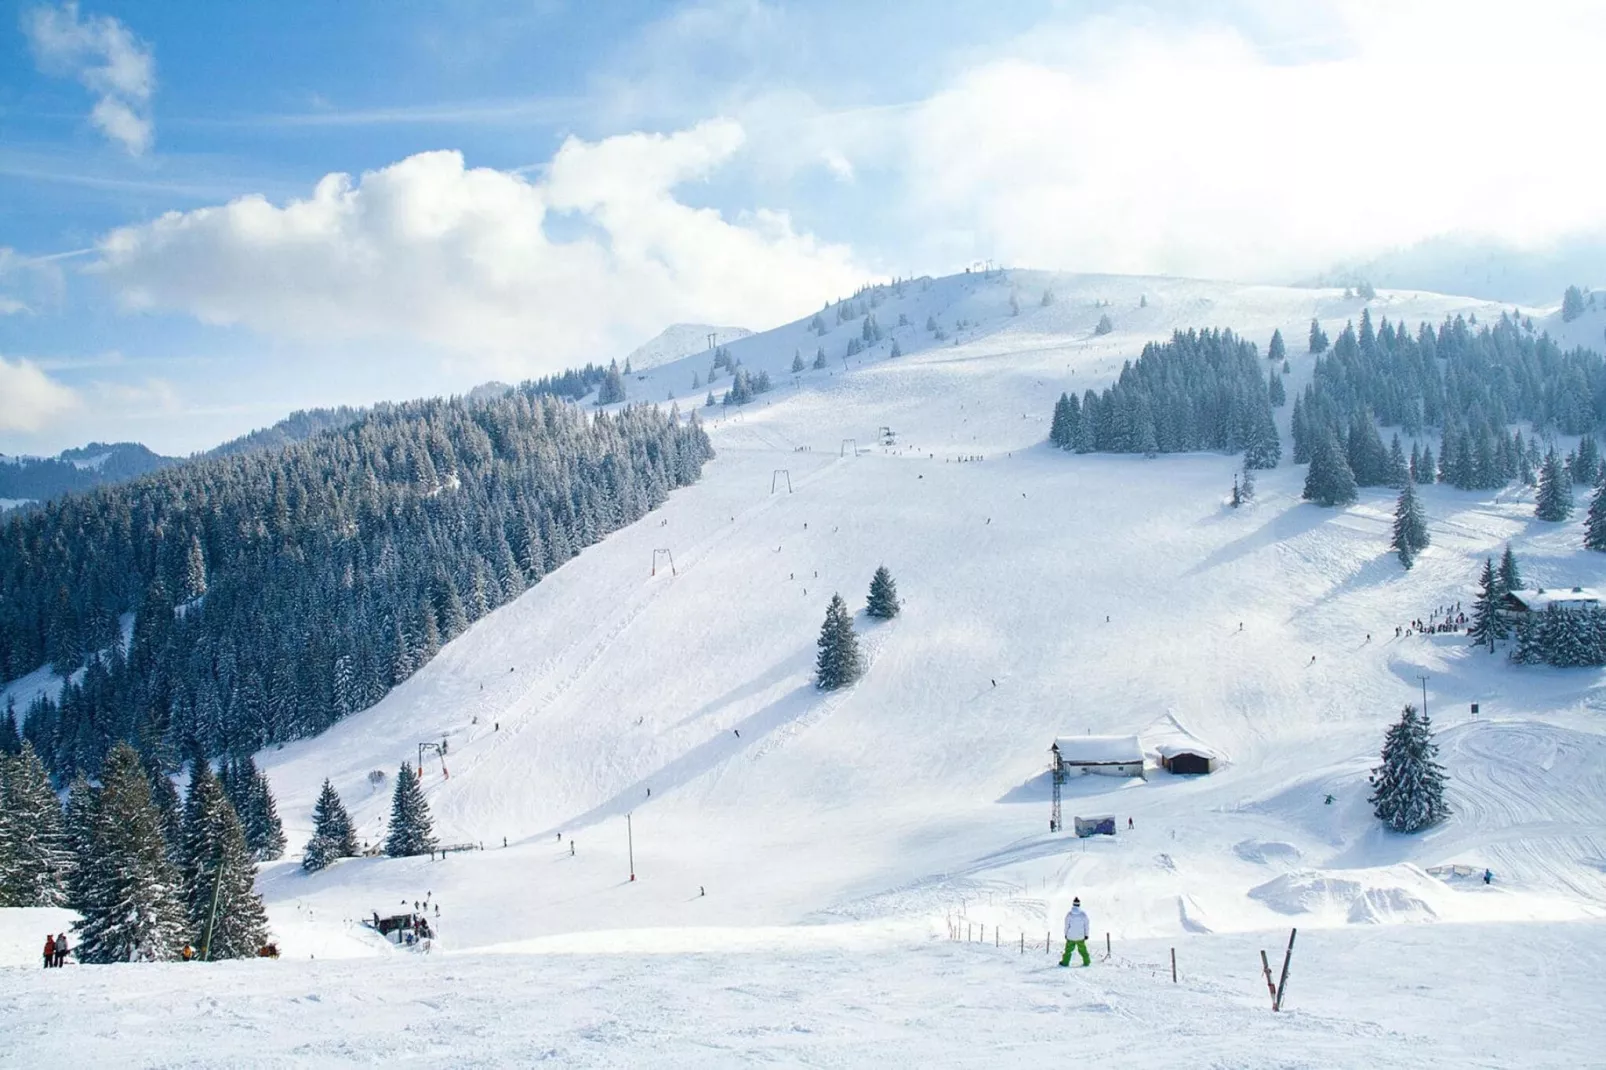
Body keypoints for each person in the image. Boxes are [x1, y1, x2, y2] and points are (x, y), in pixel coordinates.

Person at [1059, 899, 1091, 967]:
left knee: (1068, 950)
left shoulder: (1069, 914)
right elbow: (1086, 926)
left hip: (1071, 936)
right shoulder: (1083, 914)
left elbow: (1066, 926)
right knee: (1083, 950)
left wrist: (1066, 934)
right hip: (1080, 937)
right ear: (1079, 904)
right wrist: (1086, 935)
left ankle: (1065, 962)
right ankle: (1087, 961)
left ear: (1073, 904)